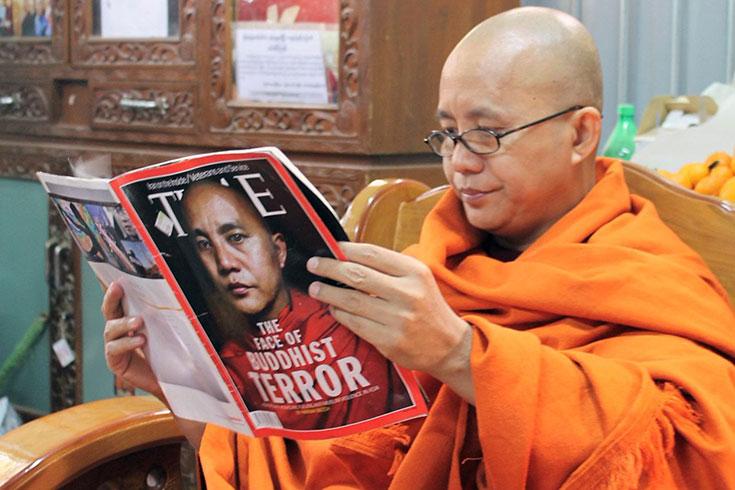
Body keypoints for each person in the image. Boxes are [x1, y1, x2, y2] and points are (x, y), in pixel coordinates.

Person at [103, 6, 735, 488]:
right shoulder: (429, 262)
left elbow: (688, 451)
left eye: (486, 134)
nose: (460, 164)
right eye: (448, 134)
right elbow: (335, 461)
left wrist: (461, 355)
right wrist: (180, 388)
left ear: (580, 134)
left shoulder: (647, 274)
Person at [122, 178, 411, 432]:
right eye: (204, 245)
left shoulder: (348, 323)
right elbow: (221, 456)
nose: (225, 263)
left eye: (236, 237)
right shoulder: (229, 354)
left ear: (279, 250)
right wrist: (158, 383)